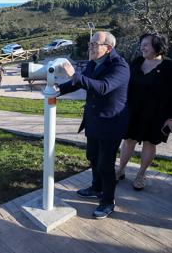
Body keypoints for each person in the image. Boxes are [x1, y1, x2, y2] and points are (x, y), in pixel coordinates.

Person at [57, 31, 130, 219]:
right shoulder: (93, 63)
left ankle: (107, 202)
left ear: (109, 48)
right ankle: (96, 187)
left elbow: (103, 87)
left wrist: (74, 75)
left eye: (94, 44)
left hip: (110, 123)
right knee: (92, 157)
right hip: (93, 120)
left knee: (105, 165)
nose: (90, 47)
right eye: (90, 43)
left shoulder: (120, 66)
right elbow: (77, 83)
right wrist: (56, 90)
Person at [116, 33, 172, 191]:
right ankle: (120, 170)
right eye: (142, 44)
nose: (142, 47)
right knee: (128, 140)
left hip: (157, 114)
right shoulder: (137, 62)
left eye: (146, 44)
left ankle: (141, 175)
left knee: (150, 143)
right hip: (133, 111)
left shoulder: (170, 67)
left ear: (158, 46)